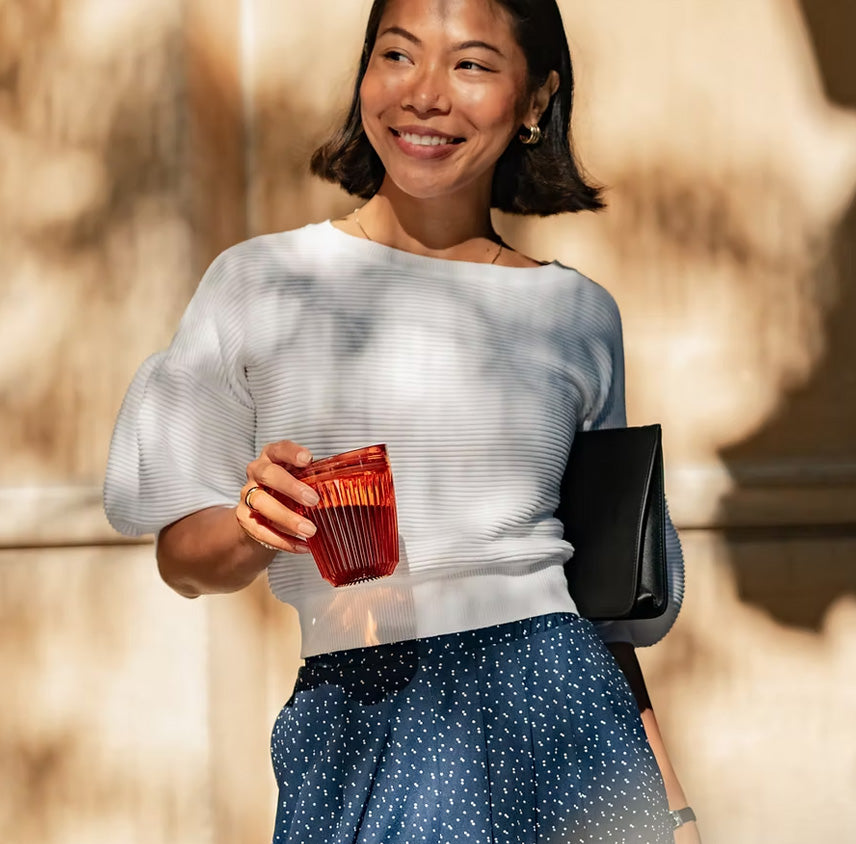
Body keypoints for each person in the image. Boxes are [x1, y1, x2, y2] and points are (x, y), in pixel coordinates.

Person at [104, 0, 701, 841]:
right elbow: (182, 560)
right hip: (362, 713)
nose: (425, 94)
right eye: (397, 54)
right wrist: (255, 526)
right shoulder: (261, 282)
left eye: (472, 64)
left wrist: (670, 806)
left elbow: (602, 601)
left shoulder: (576, 313)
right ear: (364, 76)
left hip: (565, 712)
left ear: (535, 100)